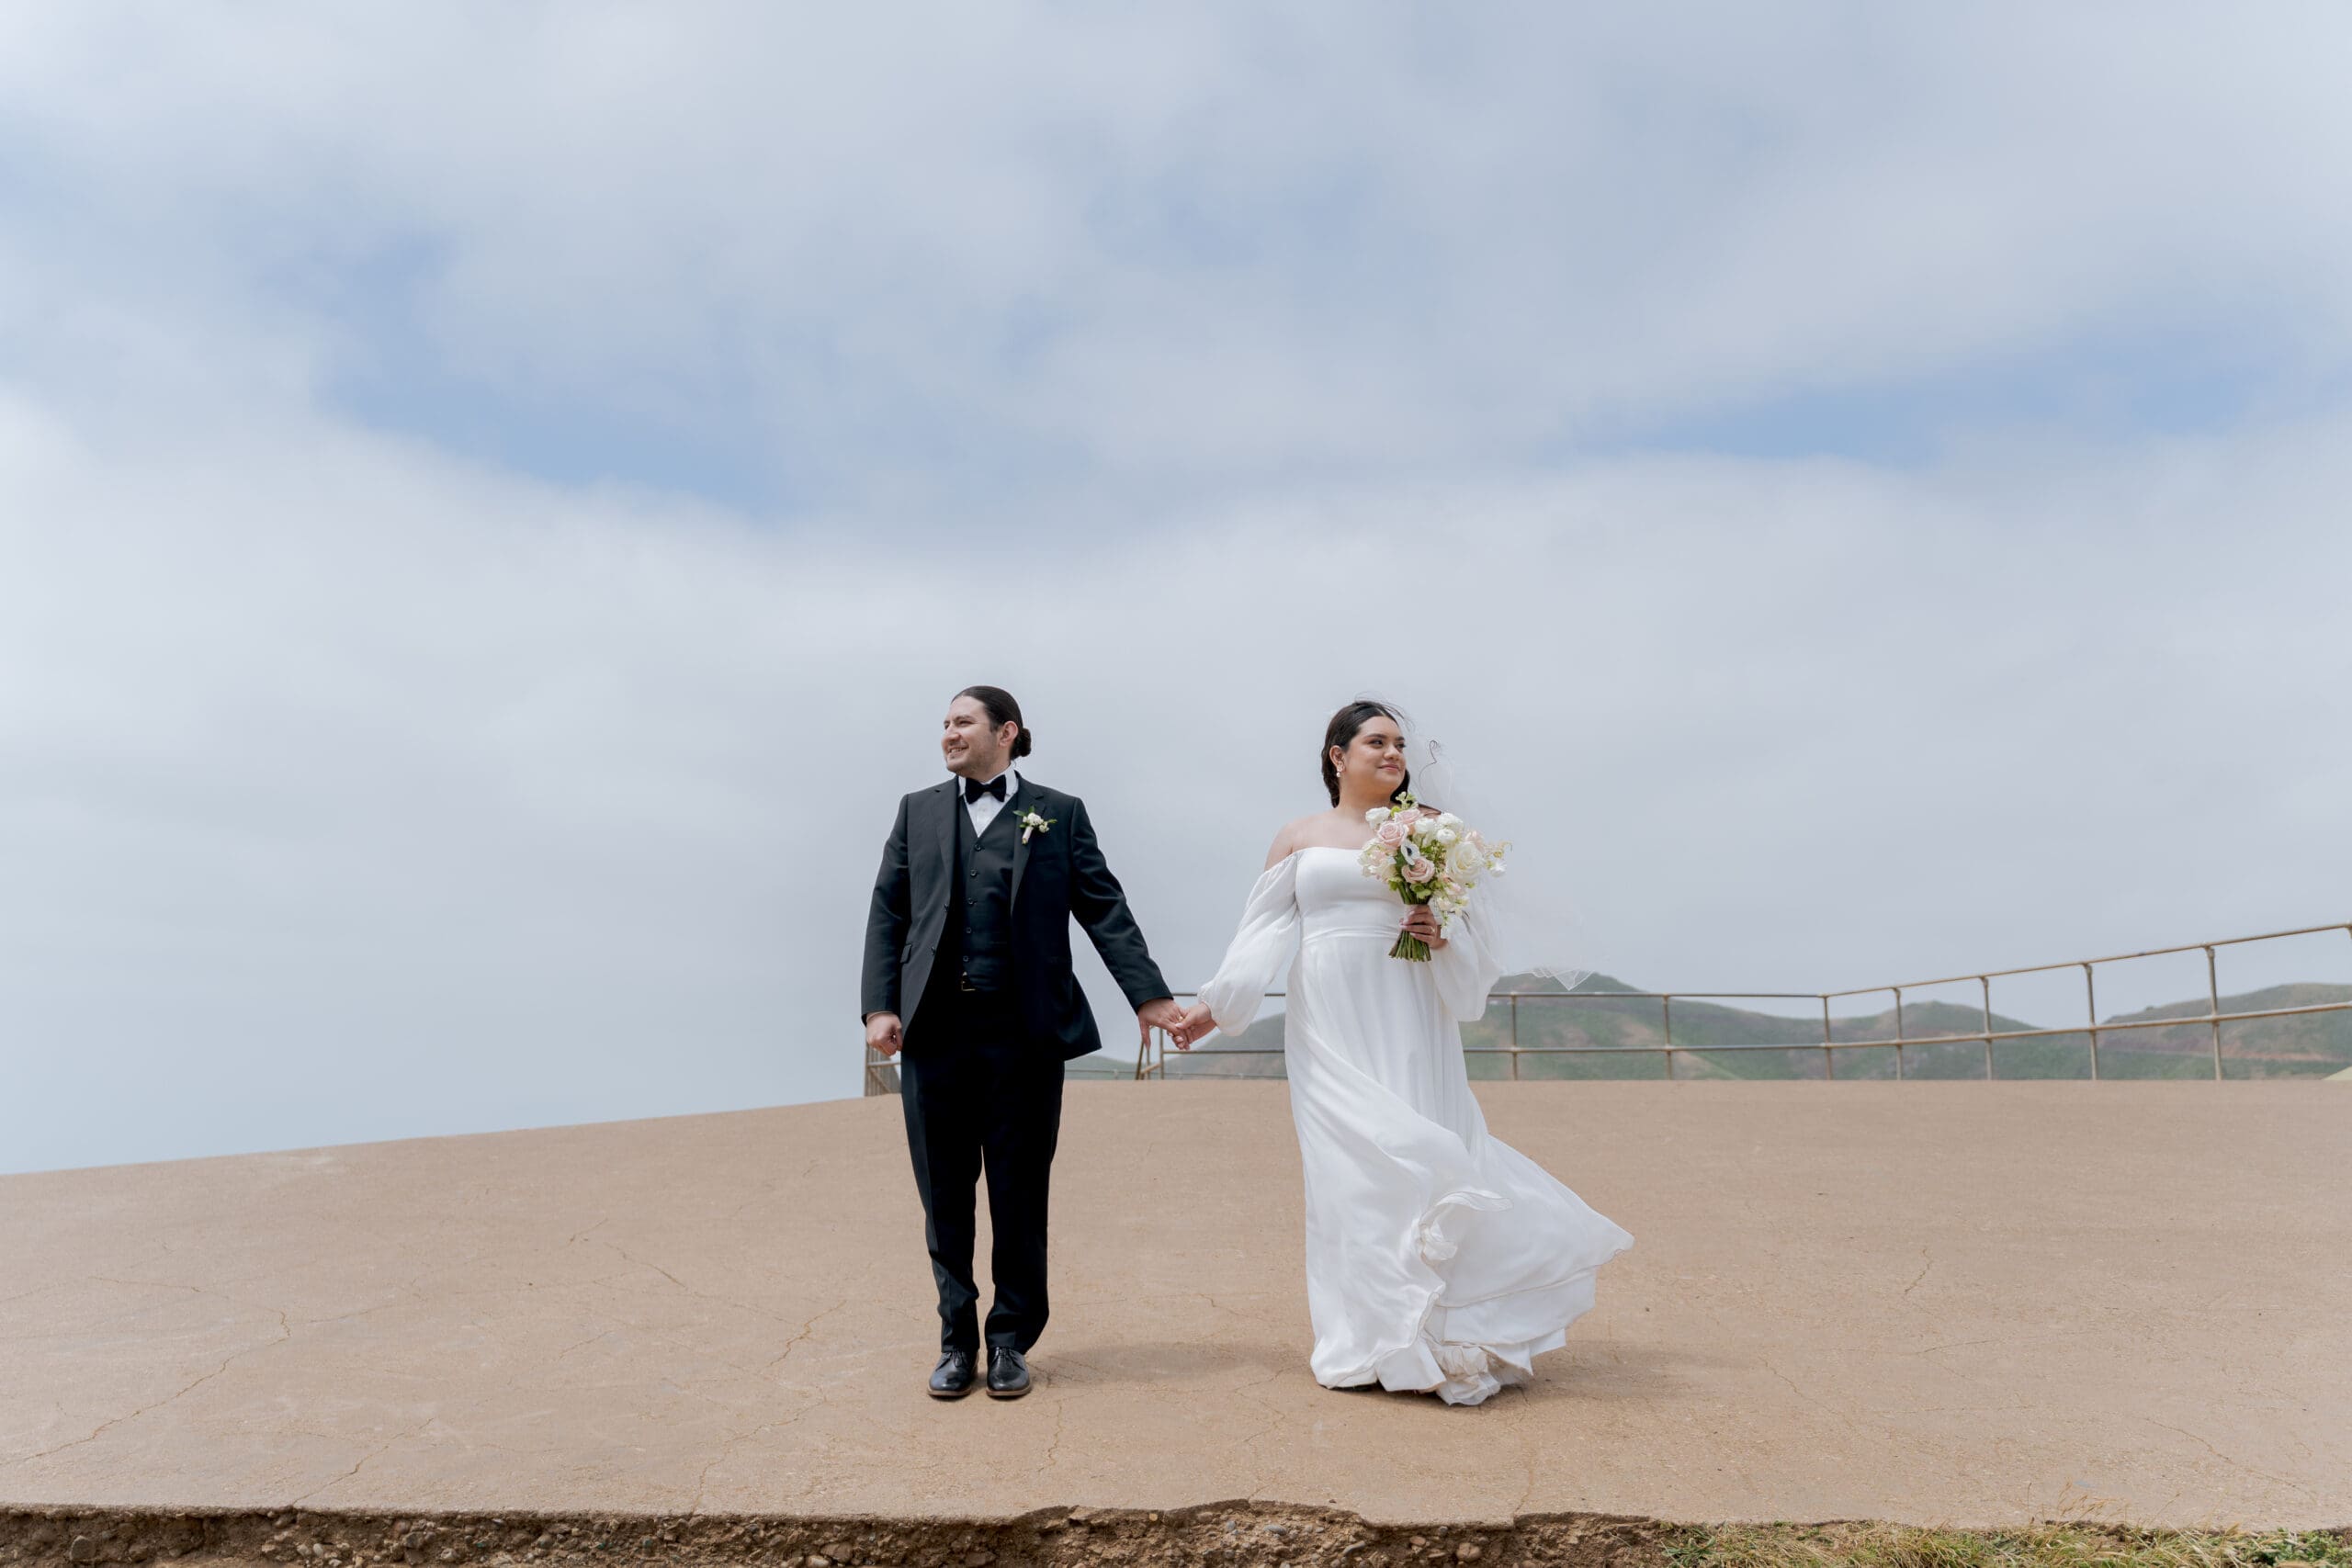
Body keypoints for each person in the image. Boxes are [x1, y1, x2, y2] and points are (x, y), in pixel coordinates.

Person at [1172, 700, 1633, 1405]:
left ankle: (1436, 1330)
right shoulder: (1298, 835)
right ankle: (1365, 1343)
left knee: (1424, 1156)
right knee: (1349, 1172)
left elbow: (1473, 940)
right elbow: (1261, 931)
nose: (1393, 753)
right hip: (1329, 1014)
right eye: (1376, 741)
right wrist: (1216, 1003)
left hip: (1408, 1006)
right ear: (1337, 754)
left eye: (1399, 744)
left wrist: (1441, 929)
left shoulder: (1430, 833)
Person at [862, 685, 1190, 1401]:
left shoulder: (1059, 813)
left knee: (1018, 1192)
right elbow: (889, 911)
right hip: (935, 1036)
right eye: (944, 723)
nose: (948, 732)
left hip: (1025, 1038)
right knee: (943, 1194)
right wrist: (879, 1005)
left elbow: (1104, 905)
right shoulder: (916, 811)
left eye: (963, 721)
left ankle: (1009, 1338)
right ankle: (956, 1339)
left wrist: (1150, 994)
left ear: (1005, 732)